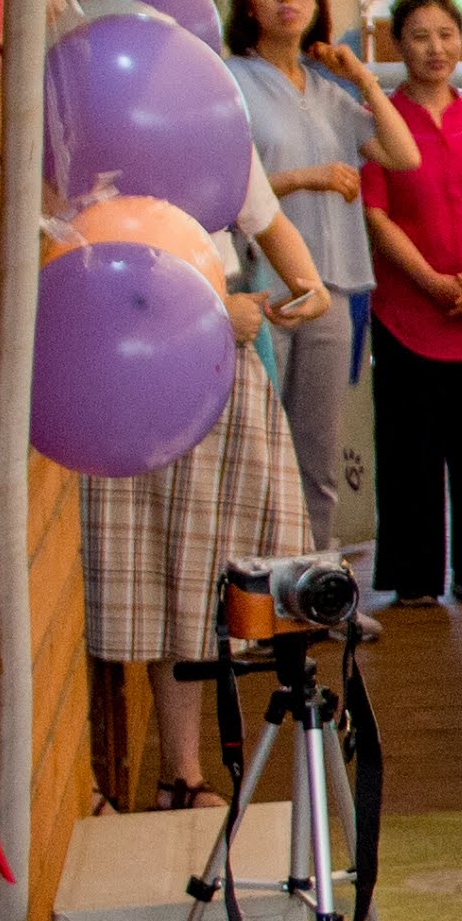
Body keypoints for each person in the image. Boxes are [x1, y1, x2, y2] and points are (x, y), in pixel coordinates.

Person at [80, 156, 340, 809]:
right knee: (140, 568)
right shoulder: (90, 129)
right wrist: (213, 308)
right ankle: (134, 779)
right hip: (124, 351)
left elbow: (266, 217)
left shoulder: (213, 120)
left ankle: (182, 773)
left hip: (216, 349)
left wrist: (309, 285)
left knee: (197, 571)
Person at [222, 0, 415, 544]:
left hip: (332, 290)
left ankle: (316, 578)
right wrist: (308, 177)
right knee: (258, 452)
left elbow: (403, 155)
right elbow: (226, 187)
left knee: (318, 454)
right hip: (264, 288)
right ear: (249, 3)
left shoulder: (330, 91)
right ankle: (258, 584)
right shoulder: (231, 80)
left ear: (315, 0)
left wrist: (363, 78)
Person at [356, 0, 462, 609]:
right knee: (410, 449)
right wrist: (429, 281)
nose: (435, 48)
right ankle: (414, 577)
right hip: (408, 309)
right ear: (398, 44)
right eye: (420, 36)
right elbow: (376, 215)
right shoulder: (379, 119)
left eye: (446, 34)